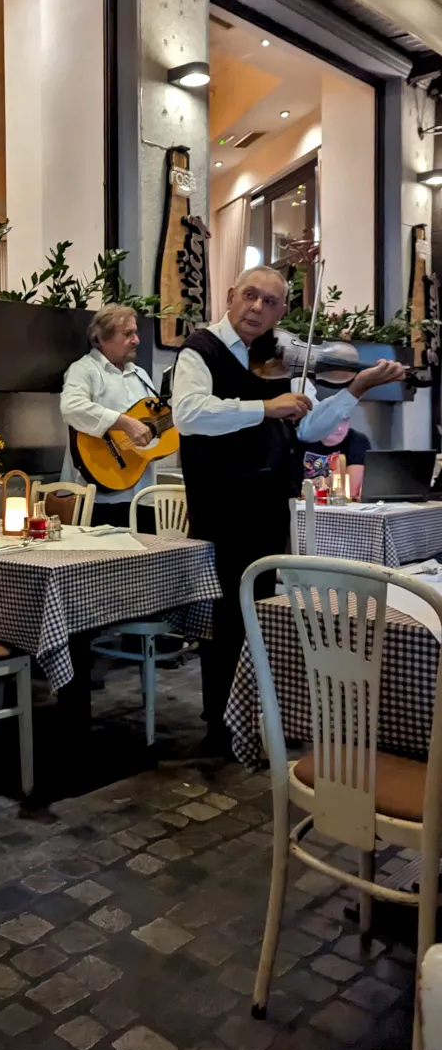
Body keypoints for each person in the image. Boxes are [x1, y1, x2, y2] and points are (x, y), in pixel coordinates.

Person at [172, 265, 404, 755]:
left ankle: (256, 714)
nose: (258, 308)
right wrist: (265, 408)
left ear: (283, 311)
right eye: (250, 296)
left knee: (261, 614)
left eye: (271, 302)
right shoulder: (200, 349)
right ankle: (219, 725)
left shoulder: (279, 357)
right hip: (220, 506)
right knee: (227, 618)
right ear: (231, 295)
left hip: (268, 505)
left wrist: (355, 389)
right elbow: (189, 415)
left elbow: (308, 426)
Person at [60, 304, 169, 531]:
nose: (136, 340)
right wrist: (124, 422)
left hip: (143, 494)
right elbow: (71, 407)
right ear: (101, 338)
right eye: (128, 333)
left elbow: (154, 427)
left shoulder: (140, 375)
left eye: (135, 332)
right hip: (99, 496)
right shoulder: (84, 370)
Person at [301, 418, 371, 500]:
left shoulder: (357, 440)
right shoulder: (300, 439)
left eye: (344, 420)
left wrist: (314, 484)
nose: (339, 428)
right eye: (332, 421)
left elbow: (351, 490)